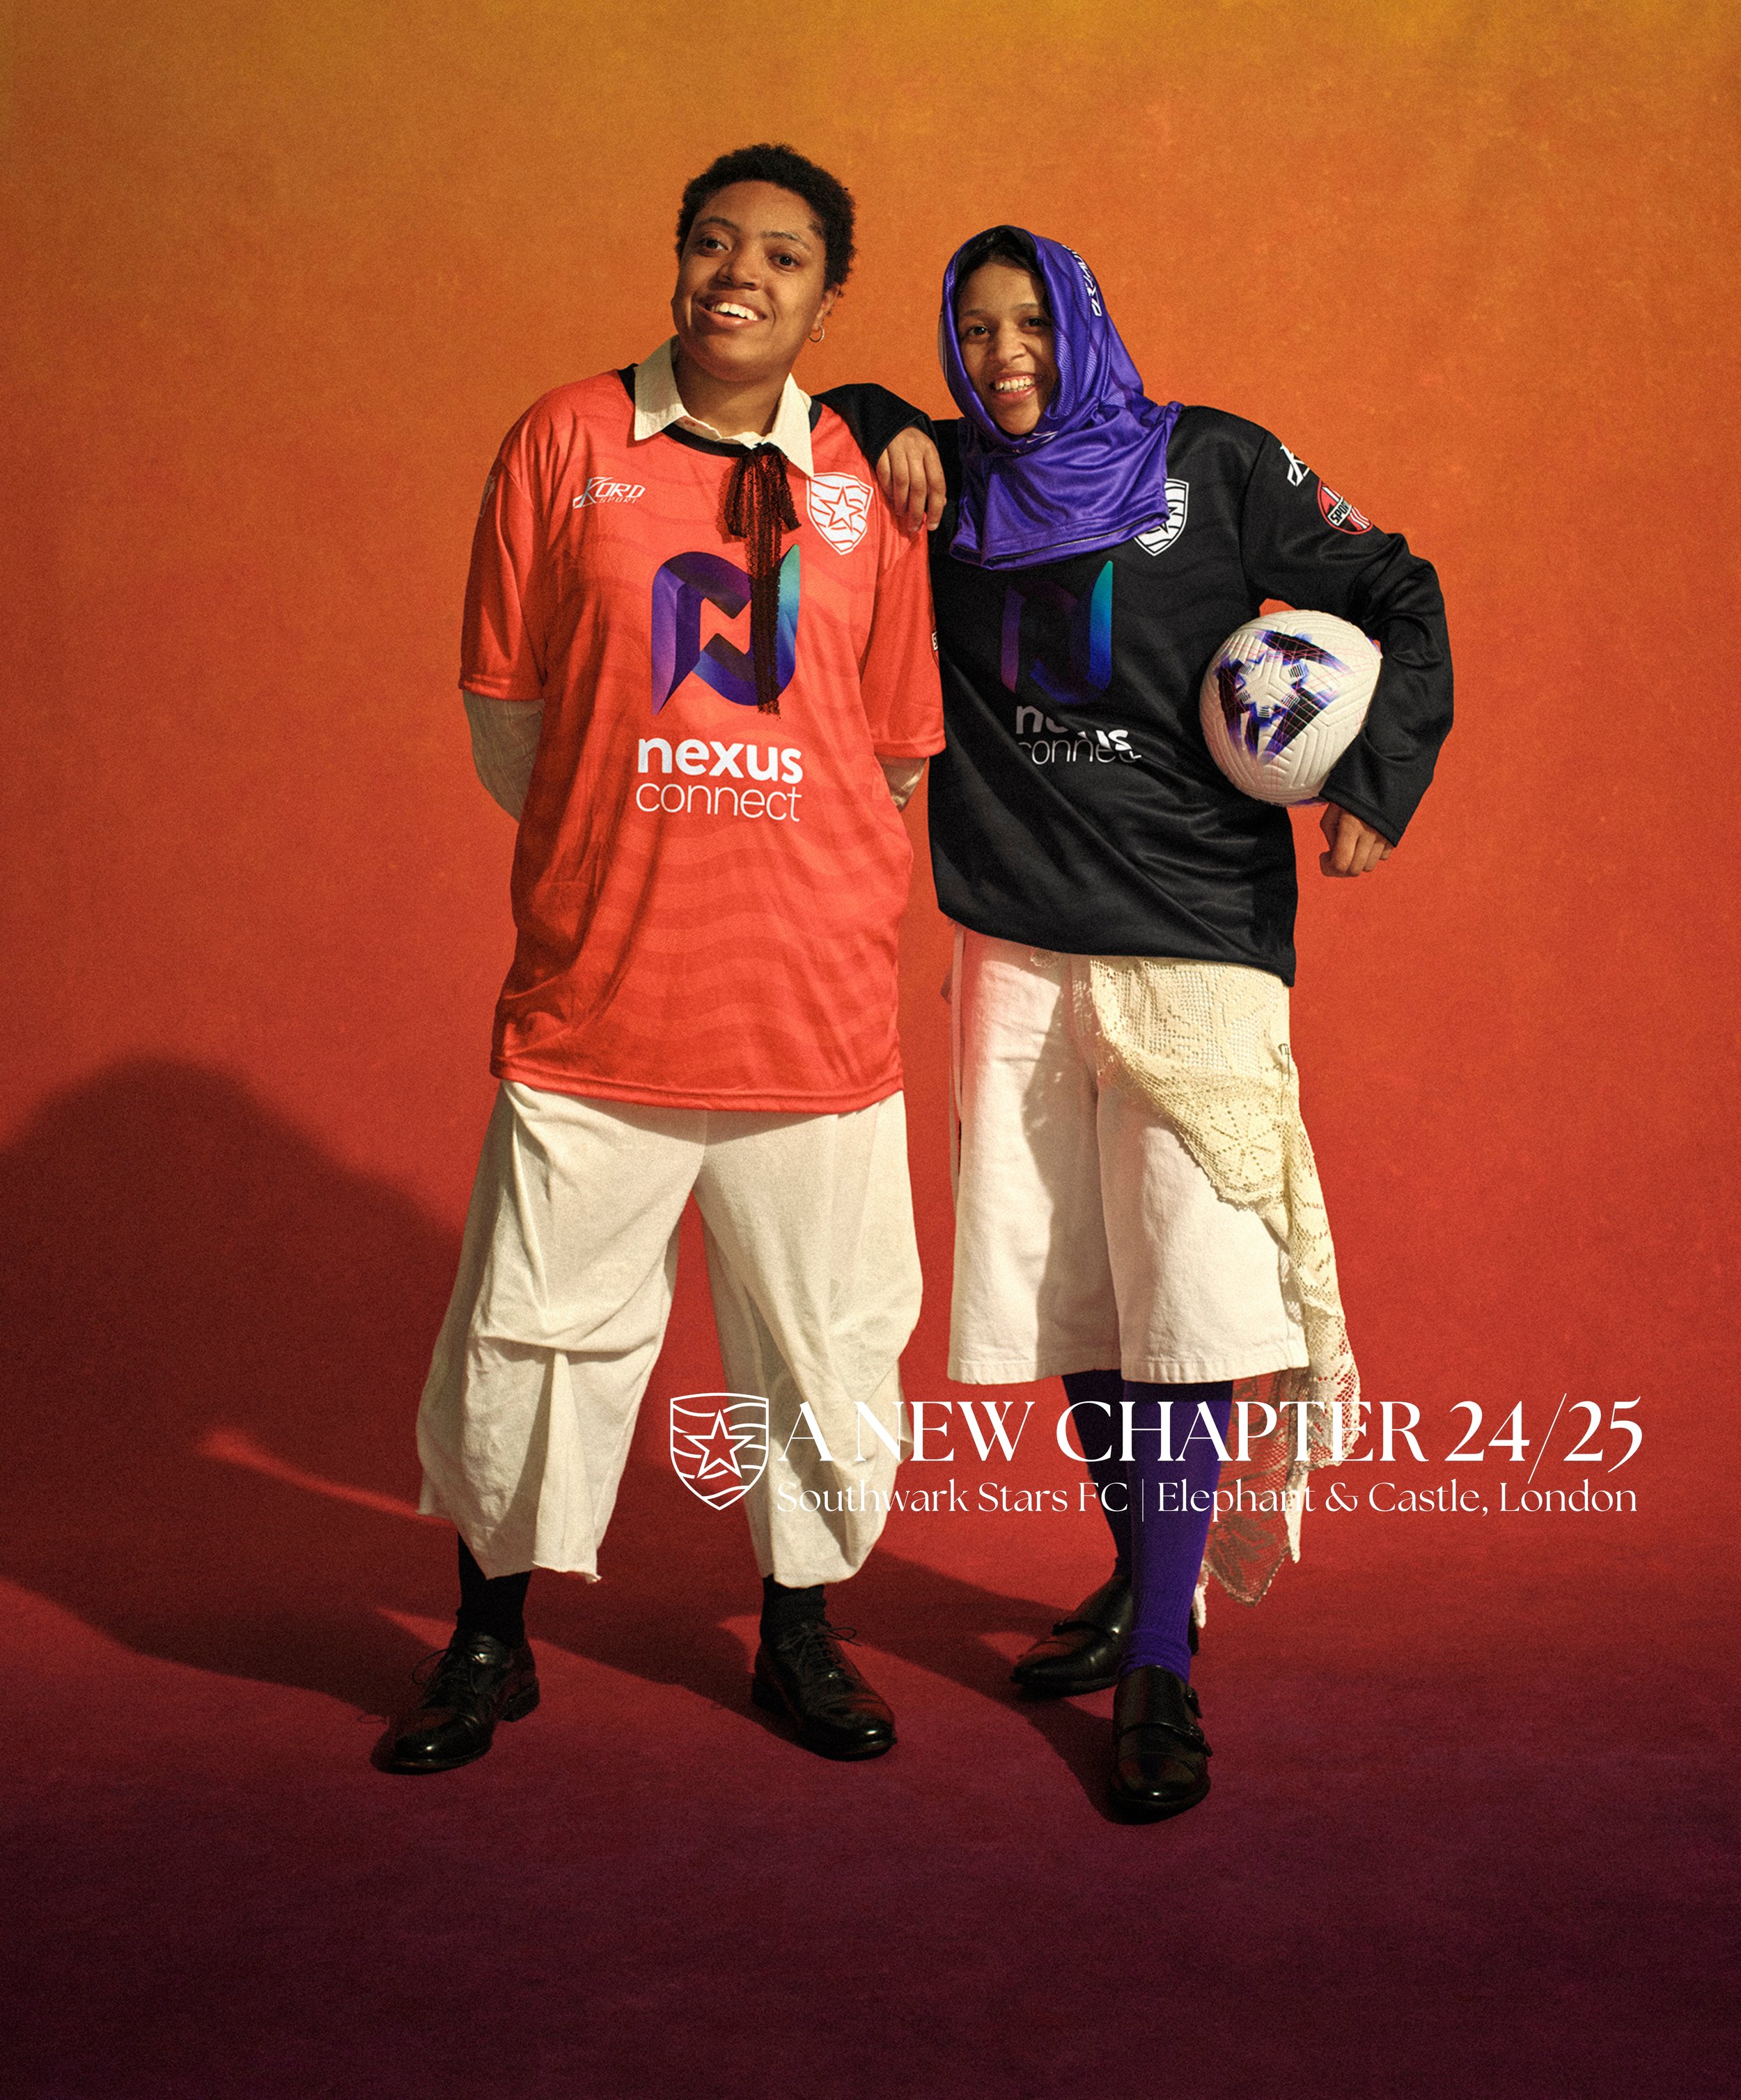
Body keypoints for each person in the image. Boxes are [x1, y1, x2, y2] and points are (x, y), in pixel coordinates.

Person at [835, 225, 1451, 1819]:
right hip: (1013, 939)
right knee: (1080, 1295)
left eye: (1030, 323)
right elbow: (812, 422)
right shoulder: (946, 487)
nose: (1004, 358)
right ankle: (1137, 1577)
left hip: (1194, 939)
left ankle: (1163, 1663)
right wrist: (873, 409)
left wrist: (1374, 776)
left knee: (1185, 1295)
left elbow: (1396, 586)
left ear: (1084, 322)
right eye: (973, 331)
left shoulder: (1215, 464)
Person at [386, 146, 945, 1775]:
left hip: (810, 1010)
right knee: (529, 1329)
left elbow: (892, 749)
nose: (738, 273)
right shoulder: (564, 439)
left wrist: (786, 860)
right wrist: (619, 840)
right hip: (603, 995)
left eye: (781, 254)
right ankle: (486, 1636)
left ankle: (800, 1631)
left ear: (827, 298)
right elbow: (509, 712)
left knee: (824, 1338)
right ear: (677, 259)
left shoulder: (869, 482)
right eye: (712, 241)